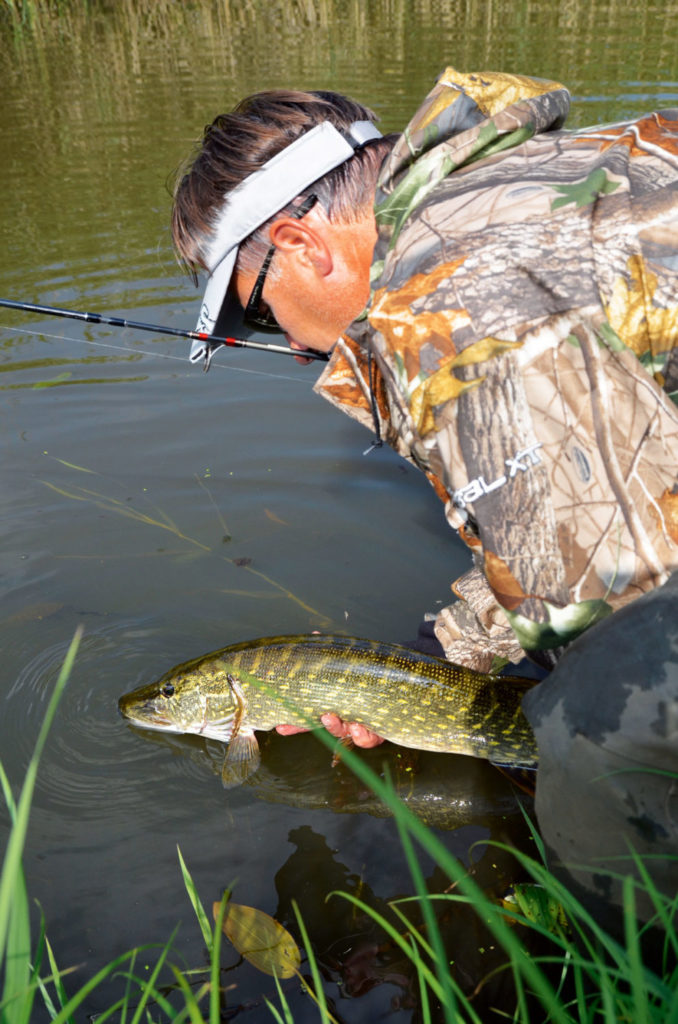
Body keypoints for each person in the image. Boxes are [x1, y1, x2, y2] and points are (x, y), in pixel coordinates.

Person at [172, 72, 678, 918]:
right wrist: (436, 662)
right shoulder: (516, 186)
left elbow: (627, 603)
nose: (292, 350)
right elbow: (596, 500)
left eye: (257, 315)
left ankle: (624, 970)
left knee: (600, 736)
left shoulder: (447, 304)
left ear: (301, 244)